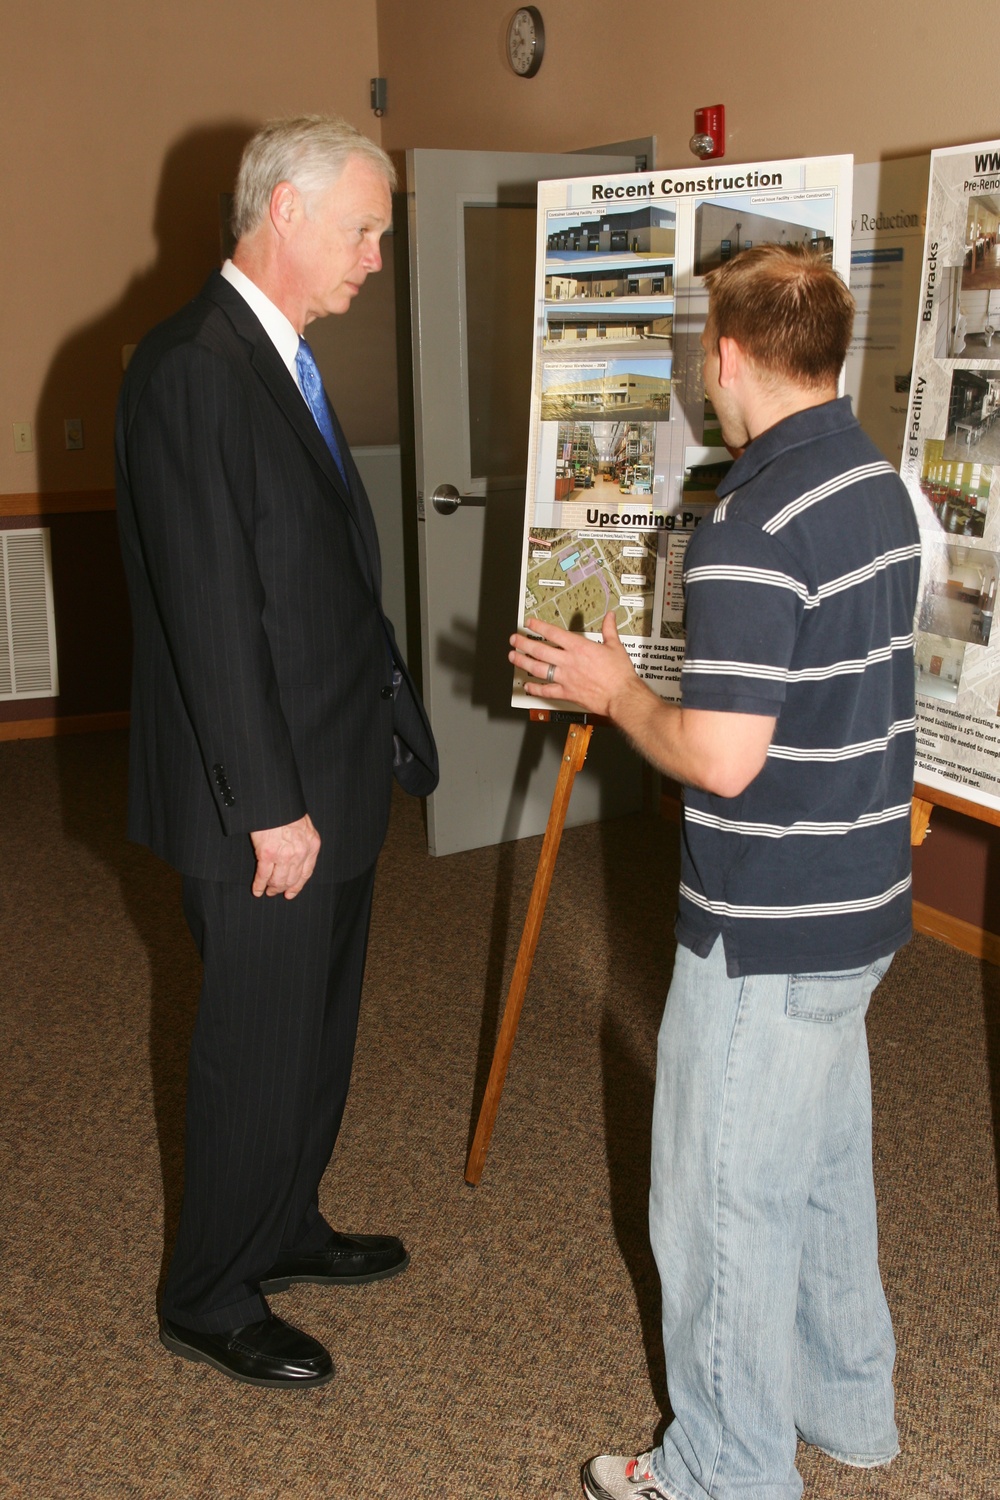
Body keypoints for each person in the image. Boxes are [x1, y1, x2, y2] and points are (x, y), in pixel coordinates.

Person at [510, 244, 920, 1499]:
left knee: (719, 1209)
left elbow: (722, 761)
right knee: (823, 1173)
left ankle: (724, 1474)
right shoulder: (876, 483)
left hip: (765, 922)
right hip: (858, 909)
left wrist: (613, 689)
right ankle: (850, 1411)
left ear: (726, 355)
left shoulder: (749, 520)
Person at [116, 115, 437, 1390]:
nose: (374, 257)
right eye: (364, 230)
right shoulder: (195, 365)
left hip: (332, 771)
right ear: (286, 213)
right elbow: (209, 608)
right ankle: (208, 1291)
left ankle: (284, 1223)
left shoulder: (278, 354)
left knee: (315, 1033)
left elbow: (316, 580)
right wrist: (270, 807)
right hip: (262, 801)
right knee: (255, 1044)